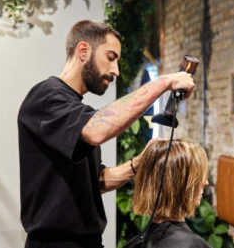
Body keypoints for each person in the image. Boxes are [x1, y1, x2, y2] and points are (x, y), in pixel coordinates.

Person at [17, 20, 194, 248]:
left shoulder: (75, 112)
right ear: (83, 51)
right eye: (111, 58)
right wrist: (163, 82)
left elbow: (96, 183)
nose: (116, 71)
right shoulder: (46, 98)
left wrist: (138, 163)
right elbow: (98, 130)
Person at [131, 140, 211, 248]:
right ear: (180, 184)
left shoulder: (134, 244)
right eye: (199, 176)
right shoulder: (192, 245)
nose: (206, 182)